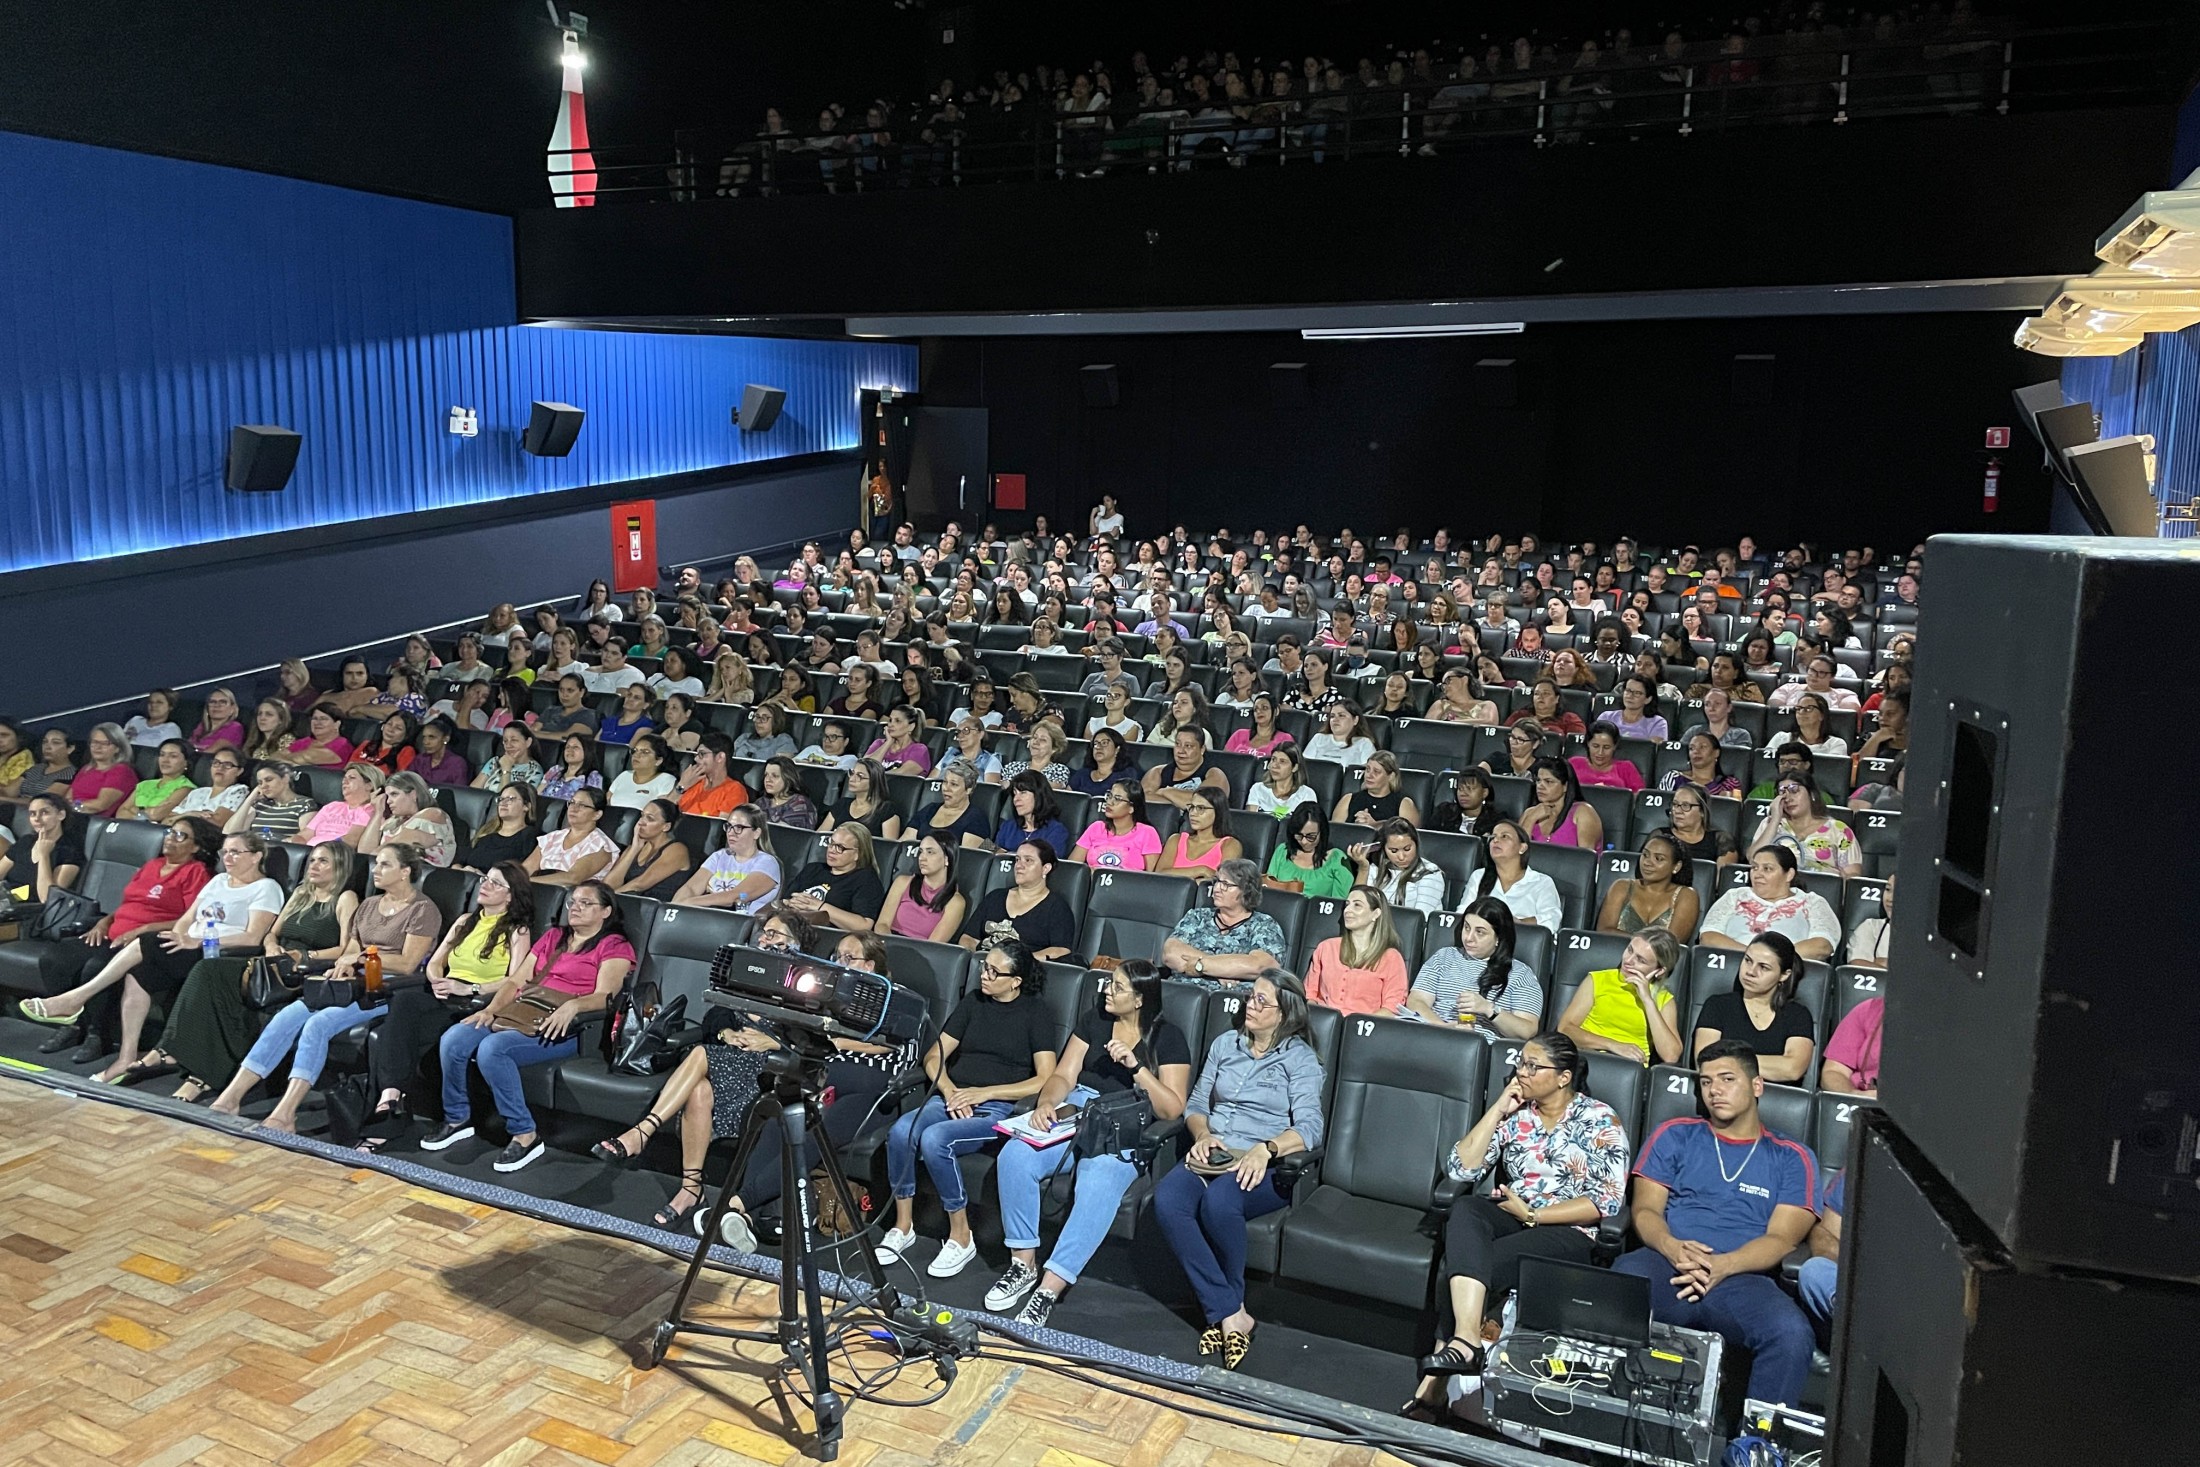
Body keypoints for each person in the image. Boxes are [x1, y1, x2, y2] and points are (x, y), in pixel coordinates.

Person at [1408, 1034, 1630, 1413]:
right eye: (1519, 1064)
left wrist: (1535, 1215)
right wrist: (1498, 1108)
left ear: (1563, 1077)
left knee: (1464, 1267)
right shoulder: (1517, 1114)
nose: (1520, 1072)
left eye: (1532, 1066)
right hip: (1514, 1215)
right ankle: (1466, 1340)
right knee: (1466, 1210)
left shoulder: (1598, 1118)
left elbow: (1605, 1200)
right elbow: (1462, 1167)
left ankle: (1437, 1380)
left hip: (1567, 1231)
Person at [982, 957, 1196, 1328]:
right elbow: (1064, 1073)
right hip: (1078, 1107)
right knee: (1016, 1156)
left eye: (1116, 987)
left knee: (1096, 1182)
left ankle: (1050, 1288)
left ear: (1140, 999)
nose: (1107, 992)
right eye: (1108, 984)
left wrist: (1136, 1068)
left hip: (1125, 1121)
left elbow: (1171, 1108)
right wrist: (1048, 1101)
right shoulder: (1094, 1018)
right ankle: (1023, 1265)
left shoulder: (1168, 1037)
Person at [1614, 1041, 1819, 1407]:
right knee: (1615, 1290)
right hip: (1667, 1263)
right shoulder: (1675, 1133)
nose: (1715, 1091)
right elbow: (1645, 1210)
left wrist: (1723, 1265)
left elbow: (1783, 1239)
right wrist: (1673, 1248)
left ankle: (1755, 1450)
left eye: (1727, 1079)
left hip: (1742, 1276)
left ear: (1757, 1086)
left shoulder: (1791, 1156)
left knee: (1790, 1334)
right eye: (1706, 1082)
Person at [1154, 968, 1326, 1371]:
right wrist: (1200, 1135)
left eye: (1263, 1001)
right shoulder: (1225, 1044)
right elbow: (1196, 1105)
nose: (1252, 1005)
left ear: (1285, 1013)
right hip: (1214, 1151)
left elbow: (1310, 1128)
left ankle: (1222, 1310)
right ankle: (1232, 1312)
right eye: (1252, 997)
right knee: (1168, 1200)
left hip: (1262, 1163)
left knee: (1218, 1203)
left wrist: (1266, 1149)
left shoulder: (1299, 1060)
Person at [208, 844, 442, 1132]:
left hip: (385, 987)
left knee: (318, 1024)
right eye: (376, 864)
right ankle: (232, 1097)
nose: (375, 870)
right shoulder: (369, 905)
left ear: (405, 872)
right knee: (287, 1017)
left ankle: (286, 1113)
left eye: (384, 865)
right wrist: (344, 963)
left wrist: (359, 959)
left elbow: (407, 963)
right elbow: (351, 948)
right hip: (349, 981)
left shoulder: (423, 910)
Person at [422, 880, 635, 1172]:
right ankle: (457, 1118)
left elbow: (604, 997)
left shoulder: (614, 946)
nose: (575, 908)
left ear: (606, 911)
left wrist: (573, 1005)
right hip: (522, 1011)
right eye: (573, 902)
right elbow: (516, 981)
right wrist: (491, 1010)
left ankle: (525, 1134)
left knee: (492, 1049)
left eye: (586, 903)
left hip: (569, 1026)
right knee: (455, 1038)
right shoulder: (554, 936)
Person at [876, 939, 1060, 1278]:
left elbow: (1045, 1079)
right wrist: (949, 1091)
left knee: (935, 1140)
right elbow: (934, 1056)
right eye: (983, 967)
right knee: (901, 1132)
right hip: (953, 1096)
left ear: (1015, 980)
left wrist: (982, 1094)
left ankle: (961, 1235)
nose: (984, 975)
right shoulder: (973, 1002)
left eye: (993, 971)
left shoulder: (1036, 1013)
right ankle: (903, 1225)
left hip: (997, 1108)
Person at [156, 841, 358, 1103]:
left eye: (323, 861)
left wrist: (306, 956)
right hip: (271, 961)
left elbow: (345, 948)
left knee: (224, 985)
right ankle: (180, 1055)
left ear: (340, 867)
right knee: (208, 973)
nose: (314, 867)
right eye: (312, 861)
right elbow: (272, 932)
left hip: (303, 970)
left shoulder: (345, 898)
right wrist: (272, 944)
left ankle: (198, 1075)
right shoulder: (300, 893)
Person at [356, 860, 536, 1125]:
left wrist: (470, 987)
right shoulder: (465, 921)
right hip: (446, 990)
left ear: (510, 895)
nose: (485, 885)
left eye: (496, 883)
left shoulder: (517, 930)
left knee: (397, 1031)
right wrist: (438, 980)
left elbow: (514, 981)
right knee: (402, 1002)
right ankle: (391, 1095)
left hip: (475, 998)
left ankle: (391, 1098)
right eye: (485, 878)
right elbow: (436, 962)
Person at [1693, 931, 1817, 1083]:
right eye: (1748, 960)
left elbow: (1792, 1069)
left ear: (1784, 975)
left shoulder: (1798, 1015)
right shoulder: (1718, 1005)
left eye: (1763, 967)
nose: (1750, 971)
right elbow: (1706, 1062)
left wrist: (1728, 1062)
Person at [1558, 928, 1688, 1065]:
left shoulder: (1663, 1000)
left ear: (1659, 970)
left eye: (1641, 960)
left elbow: (1671, 1055)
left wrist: (1648, 1000)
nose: (1628, 960)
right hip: (1586, 1057)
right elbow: (1565, 1029)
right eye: (1630, 950)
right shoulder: (1598, 980)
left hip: (1627, 1068)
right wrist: (1613, 1045)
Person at [1701, 847, 1841, 959]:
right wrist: (1752, 957)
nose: (1757, 874)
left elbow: (1822, 946)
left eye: (1767, 869)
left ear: (1789, 874)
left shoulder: (1812, 903)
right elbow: (1709, 937)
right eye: (1755, 867)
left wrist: (1772, 961)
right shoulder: (1735, 895)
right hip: (1733, 964)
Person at [1161, 859, 1284, 983]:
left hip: (1231, 997)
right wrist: (1215, 969)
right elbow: (1170, 953)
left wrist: (1201, 965)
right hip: (1185, 991)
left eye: (1226, 884)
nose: (1217, 888)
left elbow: (1260, 966)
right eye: (1217, 881)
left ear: (1246, 891)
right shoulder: (1197, 916)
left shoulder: (1264, 925)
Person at [959, 838, 1076, 959]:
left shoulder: (1057, 907)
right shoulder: (995, 897)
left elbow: (1061, 950)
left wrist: (1020, 962)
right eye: (1017, 859)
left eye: (1028, 860)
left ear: (1045, 868)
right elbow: (969, 938)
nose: (1019, 866)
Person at [1302, 886, 1409, 1016]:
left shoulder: (1391, 958)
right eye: (1347, 905)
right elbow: (1310, 994)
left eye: (1357, 905)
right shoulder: (1326, 947)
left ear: (1375, 914)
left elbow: (1392, 1006)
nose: (1348, 910)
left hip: (1364, 1029)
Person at [672, 806, 781, 912]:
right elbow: (690, 888)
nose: (731, 833)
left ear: (756, 833)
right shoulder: (720, 856)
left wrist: (689, 903)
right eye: (729, 826)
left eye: (739, 828)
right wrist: (674, 907)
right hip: (706, 916)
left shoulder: (767, 863)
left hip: (740, 922)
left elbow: (734, 896)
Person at [1595, 832, 1701, 940]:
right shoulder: (1621, 887)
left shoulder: (1686, 895)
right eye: (1645, 855)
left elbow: (1672, 943)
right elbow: (1603, 932)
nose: (1647, 862)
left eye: (1658, 859)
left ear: (1676, 867)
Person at [1749, 777, 1861, 878]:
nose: (1788, 798)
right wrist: (1775, 820)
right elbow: (1753, 859)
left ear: (1811, 794)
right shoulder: (1770, 824)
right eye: (1782, 792)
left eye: (1794, 790)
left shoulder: (1839, 830)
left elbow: (1852, 875)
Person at [1460, 820, 1564, 929]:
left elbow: (1552, 919)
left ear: (1522, 848)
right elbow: (1462, 914)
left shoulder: (1541, 882)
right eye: (1493, 837)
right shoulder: (1479, 876)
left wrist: (1517, 923)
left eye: (1504, 836)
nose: (1495, 840)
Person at [877, 833, 968, 940]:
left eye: (930, 852)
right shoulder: (902, 882)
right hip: (887, 945)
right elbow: (882, 925)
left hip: (919, 953)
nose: (922, 858)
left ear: (947, 859)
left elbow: (933, 945)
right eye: (921, 852)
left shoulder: (955, 902)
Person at [598, 798, 695, 901]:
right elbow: (608, 885)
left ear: (666, 827)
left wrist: (608, 900)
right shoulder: (634, 846)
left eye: (650, 818)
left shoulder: (677, 850)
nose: (641, 822)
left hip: (654, 909)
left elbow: (640, 884)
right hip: (628, 903)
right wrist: (634, 850)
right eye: (642, 815)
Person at [359, 771, 458, 869]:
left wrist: (371, 859)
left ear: (413, 794)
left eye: (394, 794)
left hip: (429, 878)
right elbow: (364, 853)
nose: (388, 801)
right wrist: (378, 813)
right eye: (387, 796)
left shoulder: (433, 814)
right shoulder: (393, 821)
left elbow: (404, 841)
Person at [523, 787, 621, 886]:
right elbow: (524, 870)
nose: (574, 808)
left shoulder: (601, 846)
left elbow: (573, 878)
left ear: (597, 815)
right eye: (572, 802)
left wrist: (524, 882)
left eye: (582, 805)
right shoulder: (552, 838)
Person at [1349, 819, 1447, 915]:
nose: (1401, 857)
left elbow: (1421, 918)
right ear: (1383, 848)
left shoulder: (1430, 873)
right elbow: (1355, 906)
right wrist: (1363, 868)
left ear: (1416, 844)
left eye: (1407, 849)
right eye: (1394, 851)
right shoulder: (1375, 869)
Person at [1263, 802, 1353, 897]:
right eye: (1299, 835)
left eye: (1311, 836)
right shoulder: (1283, 851)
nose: (1304, 841)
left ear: (1322, 832)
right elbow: (1269, 890)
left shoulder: (1337, 858)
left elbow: (1339, 902)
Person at [1071, 780, 1163, 871]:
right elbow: (1073, 868)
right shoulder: (1096, 827)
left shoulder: (1147, 833)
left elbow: (1153, 878)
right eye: (1110, 796)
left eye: (1117, 799)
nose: (1110, 802)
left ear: (1131, 808)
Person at [1154, 789, 1242, 882]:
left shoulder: (1230, 845)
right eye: (1191, 807)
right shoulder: (1176, 840)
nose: (1193, 813)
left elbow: (1224, 881)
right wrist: (1201, 870)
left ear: (1218, 811)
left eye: (1201, 808)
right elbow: (1160, 874)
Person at [1521, 756, 1604, 850]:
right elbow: (1517, 856)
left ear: (1565, 786)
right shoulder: (1529, 813)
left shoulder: (1583, 813)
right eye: (1538, 780)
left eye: (1548, 781)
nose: (1540, 786)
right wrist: (1530, 820)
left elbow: (1585, 860)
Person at [1333, 750, 1421, 828]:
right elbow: (1335, 833)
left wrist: (1375, 826)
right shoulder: (1348, 799)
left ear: (1391, 776)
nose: (1369, 775)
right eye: (1367, 770)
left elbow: (1410, 837)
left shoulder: (1404, 803)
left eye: (1376, 771)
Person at [68, 723, 140, 818]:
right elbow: (67, 798)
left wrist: (74, 806)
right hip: (73, 815)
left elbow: (100, 805)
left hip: (95, 822)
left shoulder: (121, 771)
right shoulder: (86, 769)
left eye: (105, 743)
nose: (98, 747)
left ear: (117, 748)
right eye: (94, 742)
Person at [993, 769, 1071, 857]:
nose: (1016, 799)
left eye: (1023, 793)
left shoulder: (1056, 831)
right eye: (1015, 793)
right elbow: (994, 855)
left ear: (1039, 796)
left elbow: (1047, 863)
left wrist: (1007, 854)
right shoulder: (1008, 826)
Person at [678, 733, 753, 817]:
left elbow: (720, 827)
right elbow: (664, 814)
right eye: (696, 754)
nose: (696, 759)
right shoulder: (691, 782)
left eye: (702, 754)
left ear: (720, 757)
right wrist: (681, 786)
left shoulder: (734, 790)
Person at [126, 738, 197, 822]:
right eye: (162, 755)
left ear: (186, 762)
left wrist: (134, 810)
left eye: (173, 756)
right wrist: (145, 813)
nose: (165, 760)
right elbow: (120, 813)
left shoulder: (185, 788)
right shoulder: (144, 784)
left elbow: (156, 815)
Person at [1765, 693, 1848, 759]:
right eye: (1798, 708)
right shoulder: (1781, 738)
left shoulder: (1836, 744)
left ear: (1822, 715)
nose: (1801, 712)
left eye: (1809, 708)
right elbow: (1766, 765)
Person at [1570, 723, 1644, 793]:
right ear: (1588, 744)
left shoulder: (1626, 767)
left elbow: (1639, 797)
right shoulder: (1574, 763)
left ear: (1614, 746)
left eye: (1606, 747)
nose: (1600, 752)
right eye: (1596, 746)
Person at [471, 724, 544, 793]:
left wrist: (506, 769)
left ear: (528, 742)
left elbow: (507, 799)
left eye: (514, 740)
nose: (508, 745)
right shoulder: (495, 761)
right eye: (505, 741)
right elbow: (474, 791)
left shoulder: (534, 770)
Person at [1303, 702, 1375, 770]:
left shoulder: (1364, 743)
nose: (1335, 719)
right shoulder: (1319, 738)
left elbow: (1368, 772)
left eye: (1341, 715)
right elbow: (1304, 766)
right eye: (1332, 716)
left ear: (1355, 720)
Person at [1846, 872, 1894, 968]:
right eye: (1888, 889)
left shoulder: (1927, 936)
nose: (1890, 898)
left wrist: (1879, 963)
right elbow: (1858, 964)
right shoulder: (1870, 927)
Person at [732, 705, 796, 763]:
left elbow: (782, 765)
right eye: (757, 717)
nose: (758, 721)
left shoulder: (783, 740)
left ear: (776, 721)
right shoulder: (744, 738)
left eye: (764, 718)